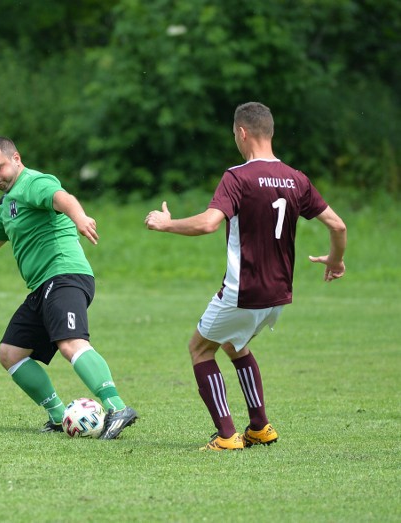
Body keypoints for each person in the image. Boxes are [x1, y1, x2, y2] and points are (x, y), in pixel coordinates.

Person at [144, 102, 347, 451]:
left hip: (244, 291)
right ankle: (260, 427)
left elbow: (209, 223)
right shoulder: (296, 178)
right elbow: (338, 225)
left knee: (199, 349)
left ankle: (226, 436)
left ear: (242, 132)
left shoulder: (238, 177)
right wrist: (335, 260)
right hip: (278, 296)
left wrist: (166, 224)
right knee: (233, 344)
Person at [0, 136, 138, 439]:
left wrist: (79, 217)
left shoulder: (32, 182)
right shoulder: (9, 202)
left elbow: (61, 197)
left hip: (65, 275)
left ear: (16, 159)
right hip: (42, 286)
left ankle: (117, 407)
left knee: (70, 343)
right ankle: (59, 415)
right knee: (10, 353)